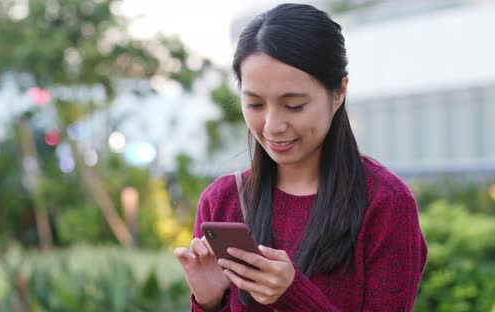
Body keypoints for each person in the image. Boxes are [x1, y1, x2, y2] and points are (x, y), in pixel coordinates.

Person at [174, 3, 428, 311]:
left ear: (339, 93)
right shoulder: (222, 201)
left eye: (293, 105)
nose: (272, 126)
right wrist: (208, 301)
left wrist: (293, 296)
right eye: (255, 104)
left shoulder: (386, 204)